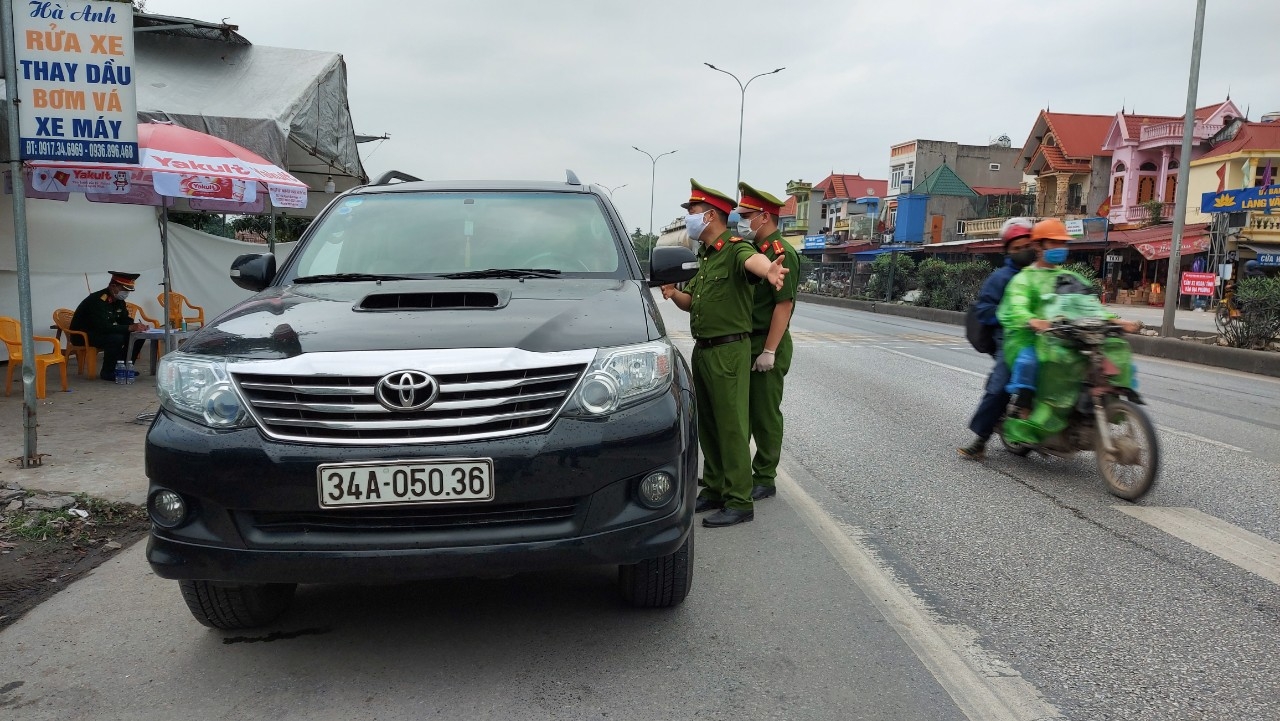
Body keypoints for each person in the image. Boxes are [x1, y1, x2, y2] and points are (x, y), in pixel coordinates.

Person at [660, 179, 789, 528]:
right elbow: (696, 304)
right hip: (705, 350)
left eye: (693, 212)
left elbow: (755, 263)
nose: (689, 217)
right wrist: (675, 294)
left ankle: (739, 499)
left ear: (711, 215)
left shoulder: (734, 250)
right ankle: (715, 487)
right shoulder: (706, 256)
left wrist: (770, 269)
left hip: (730, 350)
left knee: (732, 426)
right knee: (711, 426)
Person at [998, 220, 1141, 445]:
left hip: (1069, 335)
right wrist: (1032, 320)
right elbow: (1017, 306)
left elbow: (1091, 307)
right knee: (1029, 362)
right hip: (1031, 338)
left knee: (1110, 354)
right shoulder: (1023, 279)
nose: (1059, 248)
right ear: (1038, 246)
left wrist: (1118, 322)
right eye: (1054, 243)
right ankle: (1026, 415)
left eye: (1062, 243)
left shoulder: (1072, 278)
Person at [734, 182, 799, 500]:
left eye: (746, 215)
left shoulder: (780, 253)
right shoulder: (753, 253)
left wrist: (770, 350)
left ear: (763, 217)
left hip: (765, 342)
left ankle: (765, 476)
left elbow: (783, 305)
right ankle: (738, 472)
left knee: (764, 413)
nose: (741, 221)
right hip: (747, 341)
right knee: (741, 412)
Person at [957, 218, 1036, 460]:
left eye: (1027, 245)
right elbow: (983, 310)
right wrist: (1010, 316)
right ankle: (980, 439)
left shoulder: (1043, 274)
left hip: (1046, 336)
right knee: (1001, 385)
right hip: (1011, 338)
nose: (1024, 251)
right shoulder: (1001, 278)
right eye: (1017, 248)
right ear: (1008, 252)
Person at [70, 271, 147, 381]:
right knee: (116, 338)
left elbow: (124, 319)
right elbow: (103, 327)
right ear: (113, 286)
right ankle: (108, 372)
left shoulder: (119, 301)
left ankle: (124, 367)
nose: (126, 293)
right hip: (84, 335)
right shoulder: (97, 300)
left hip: (102, 332)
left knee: (137, 337)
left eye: (128, 291)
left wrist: (136, 326)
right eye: (124, 289)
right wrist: (129, 328)